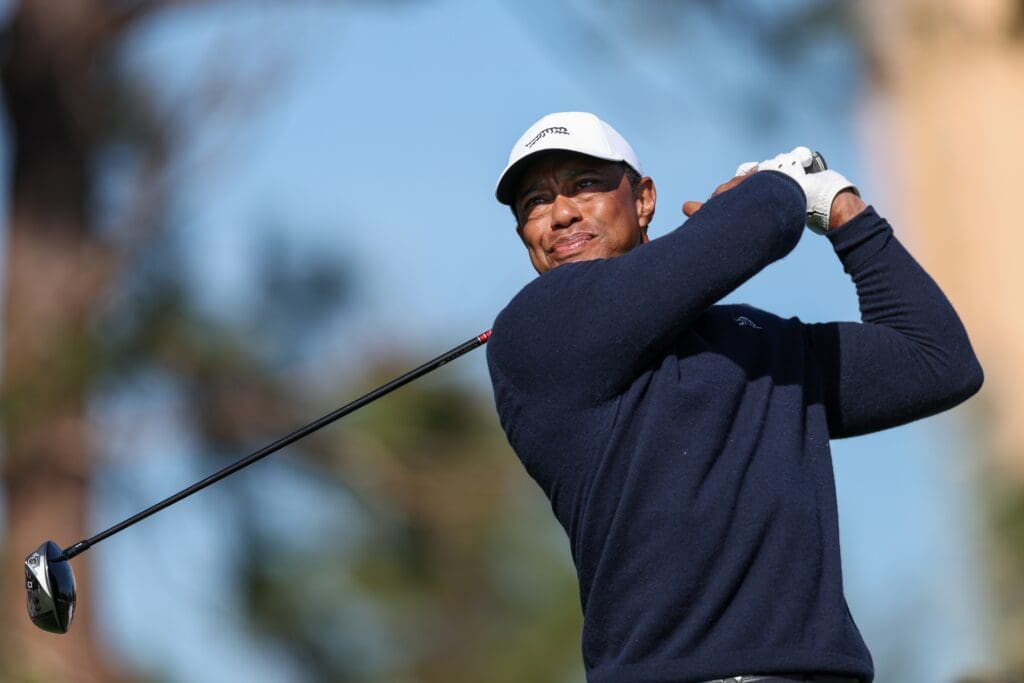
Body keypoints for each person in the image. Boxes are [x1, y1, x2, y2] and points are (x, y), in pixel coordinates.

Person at [485, 111, 984, 683]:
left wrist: (844, 210)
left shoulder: (754, 342)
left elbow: (937, 361)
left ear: (644, 199)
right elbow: (763, 221)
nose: (560, 213)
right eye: (534, 203)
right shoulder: (537, 330)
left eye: (585, 185)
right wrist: (781, 184)